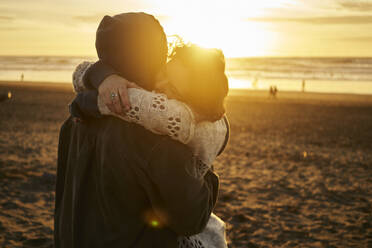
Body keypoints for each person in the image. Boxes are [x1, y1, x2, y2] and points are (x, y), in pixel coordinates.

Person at [55, 13, 220, 248]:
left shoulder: (73, 121)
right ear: (152, 58)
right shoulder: (154, 138)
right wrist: (207, 171)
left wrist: (101, 74)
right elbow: (192, 219)